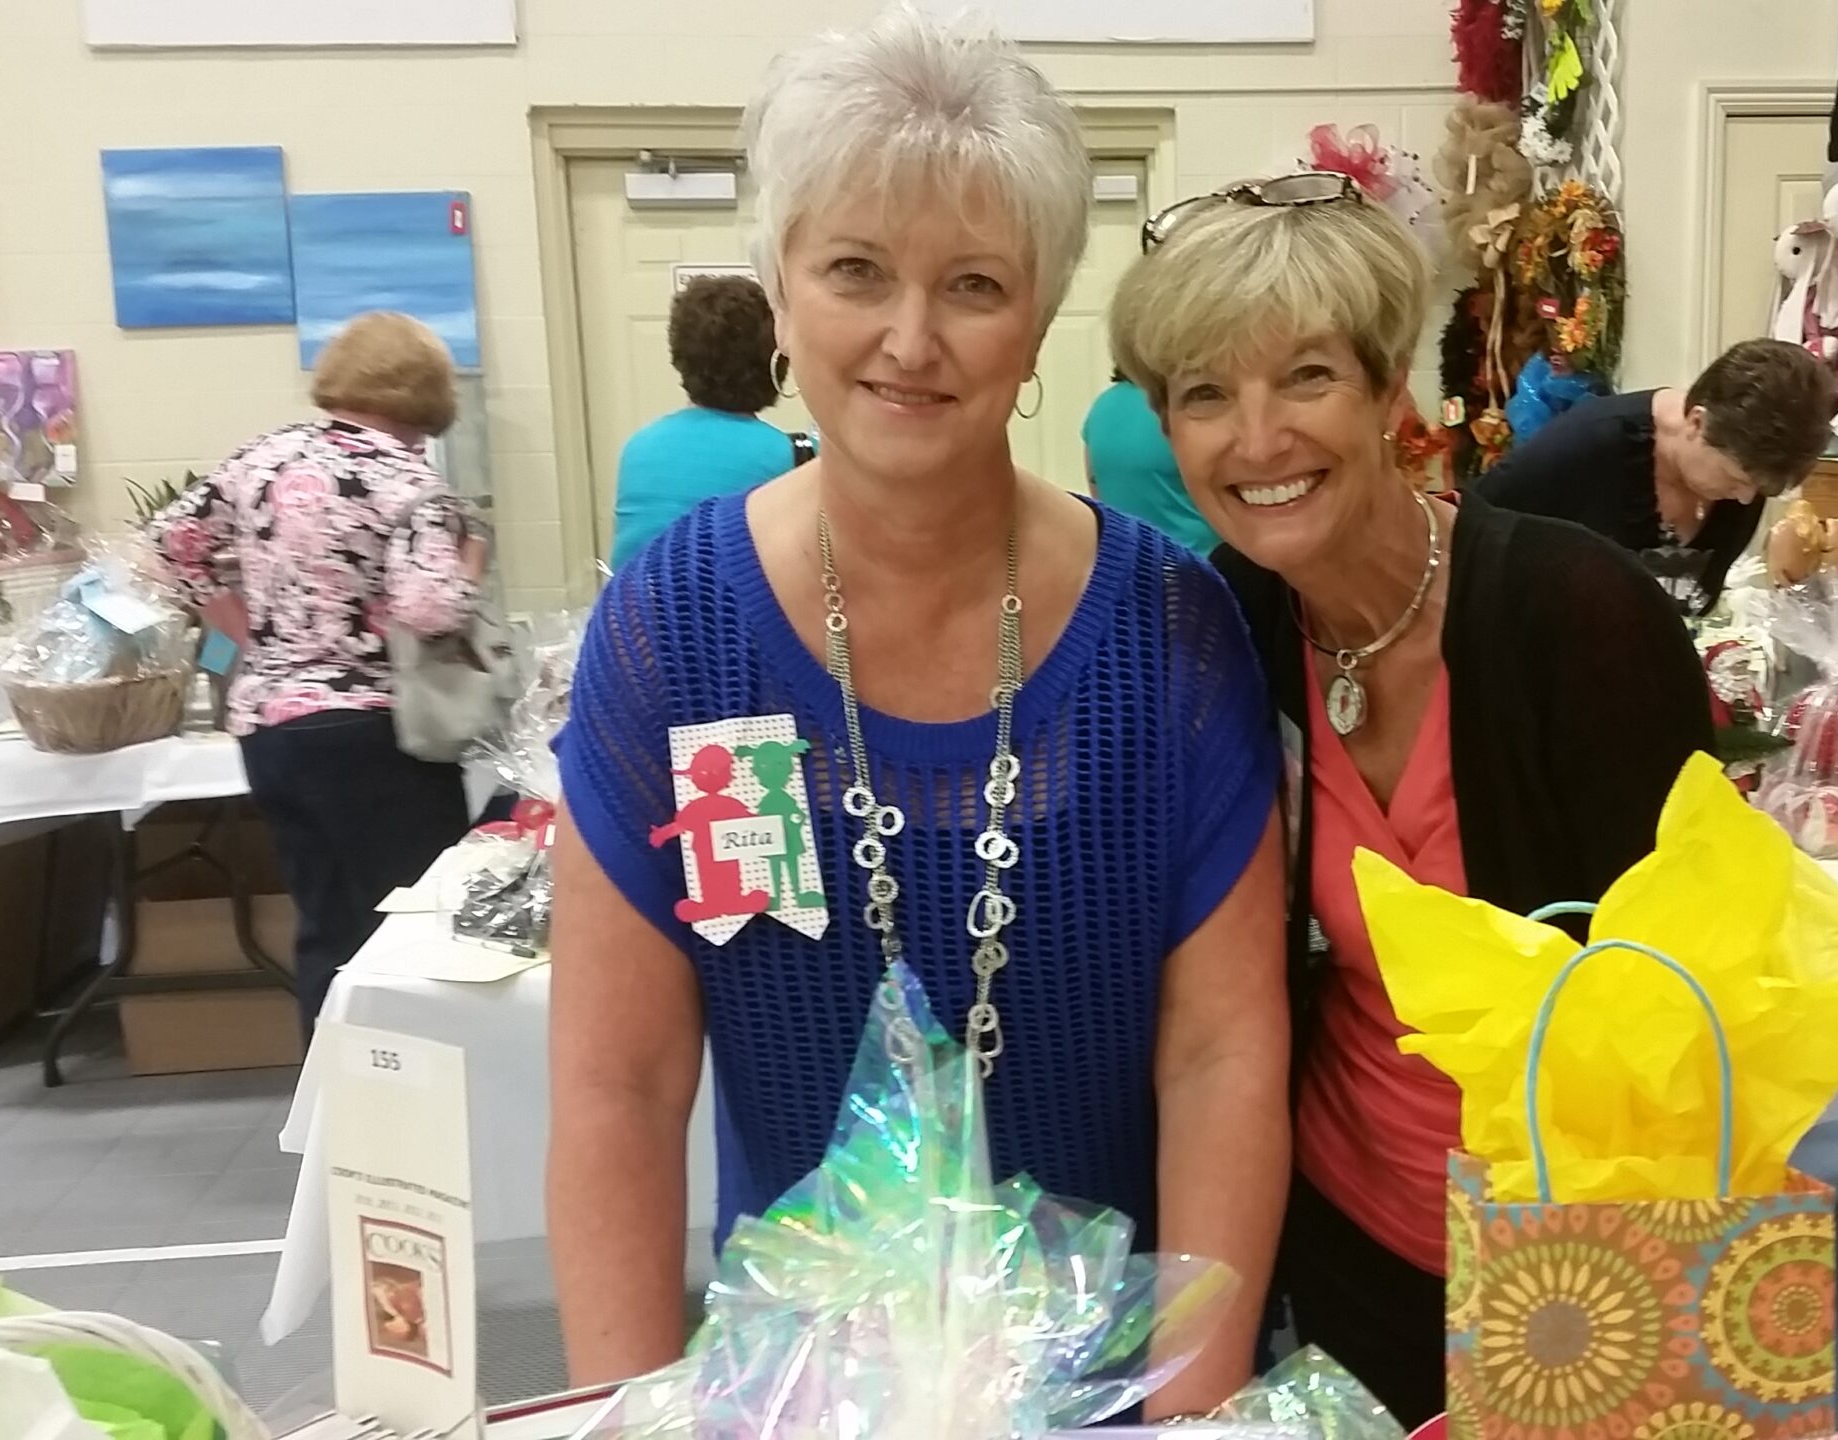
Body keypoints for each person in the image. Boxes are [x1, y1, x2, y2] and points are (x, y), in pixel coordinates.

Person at [545, 10, 1290, 1412]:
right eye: (856, 271)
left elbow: (1219, 1057)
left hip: (1116, 1388)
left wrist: (1191, 1411)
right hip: (790, 1397)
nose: (910, 338)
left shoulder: (1169, 629)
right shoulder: (679, 633)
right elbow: (618, 1090)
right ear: (779, 295)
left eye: (973, 284)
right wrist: (627, 1416)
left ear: (1039, 318)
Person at [1109, 172, 1714, 1427]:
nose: (1257, 438)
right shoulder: (1226, 628)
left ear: (1390, 390)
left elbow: (1689, 1001)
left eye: (1306, 377)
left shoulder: (1573, 616)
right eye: (1206, 394)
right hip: (1350, 1238)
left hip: (1583, 1255)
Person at [148, 313, 484, 1029]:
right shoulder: (408, 481)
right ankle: (411, 1076)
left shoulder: (264, 457)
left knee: (326, 927)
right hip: (373, 735)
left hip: (271, 727)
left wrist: (239, 626)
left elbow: (172, 542)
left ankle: (328, 1088)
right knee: (412, 928)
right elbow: (430, 609)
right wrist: (473, 563)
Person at [1473, 336, 1838, 616]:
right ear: (1696, 422)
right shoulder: (1587, 444)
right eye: (1736, 478)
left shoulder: (1747, 472)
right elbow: (1466, 534)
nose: (1746, 498)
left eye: (1759, 489)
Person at [608, 273, 806, 570]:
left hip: (633, 599)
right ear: (776, 362)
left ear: (680, 355)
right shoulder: (791, 456)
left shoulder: (638, 448)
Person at [1082, 369, 1216, 555]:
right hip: (1203, 561)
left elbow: (1097, 491)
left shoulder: (1102, 407)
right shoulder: (1187, 409)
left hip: (1129, 563)